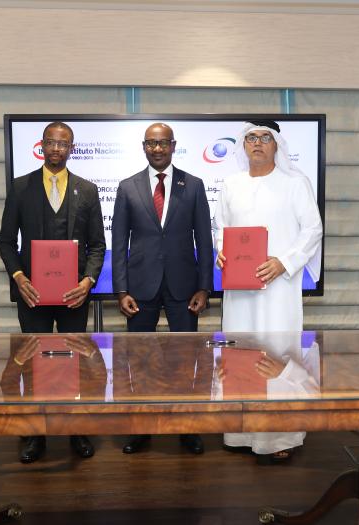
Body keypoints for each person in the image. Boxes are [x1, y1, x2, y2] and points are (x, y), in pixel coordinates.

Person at [212, 120, 323, 464]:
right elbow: (220, 227)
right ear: (243, 145)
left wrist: (284, 262)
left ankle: (279, 436)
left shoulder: (295, 183)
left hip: (278, 289)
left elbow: (312, 229)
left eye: (264, 138)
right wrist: (220, 249)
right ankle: (241, 432)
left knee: (278, 353)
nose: (257, 143)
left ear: (276, 145)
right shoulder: (230, 184)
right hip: (240, 292)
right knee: (240, 351)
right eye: (251, 138)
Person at [0, 121, 106, 463]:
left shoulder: (87, 191)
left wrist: (87, 282)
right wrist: (19, 277)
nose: (57, 148)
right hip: (33, 295)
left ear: (72, 148)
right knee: (33, 364)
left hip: (73, 295)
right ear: (41, 145)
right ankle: (35, 435)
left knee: (74, 364)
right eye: (51, 142)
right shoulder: (20, 188)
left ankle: (76, 430)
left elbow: (98, 246)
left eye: (64, 144)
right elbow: (5, 242)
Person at [112, 122, 213, 455]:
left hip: (184, 286)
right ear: (144, 147)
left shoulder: (194, 185)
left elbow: (204, 239)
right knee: (137, 361)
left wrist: (204, 287)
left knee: (187, 361)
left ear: (173, 145)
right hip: (140, 287)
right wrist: (121, 290)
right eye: (151, 144)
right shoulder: (127, 188)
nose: (157, 149)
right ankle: (141, 429)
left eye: (163, 143)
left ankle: (188, 429)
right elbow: (119, 241)